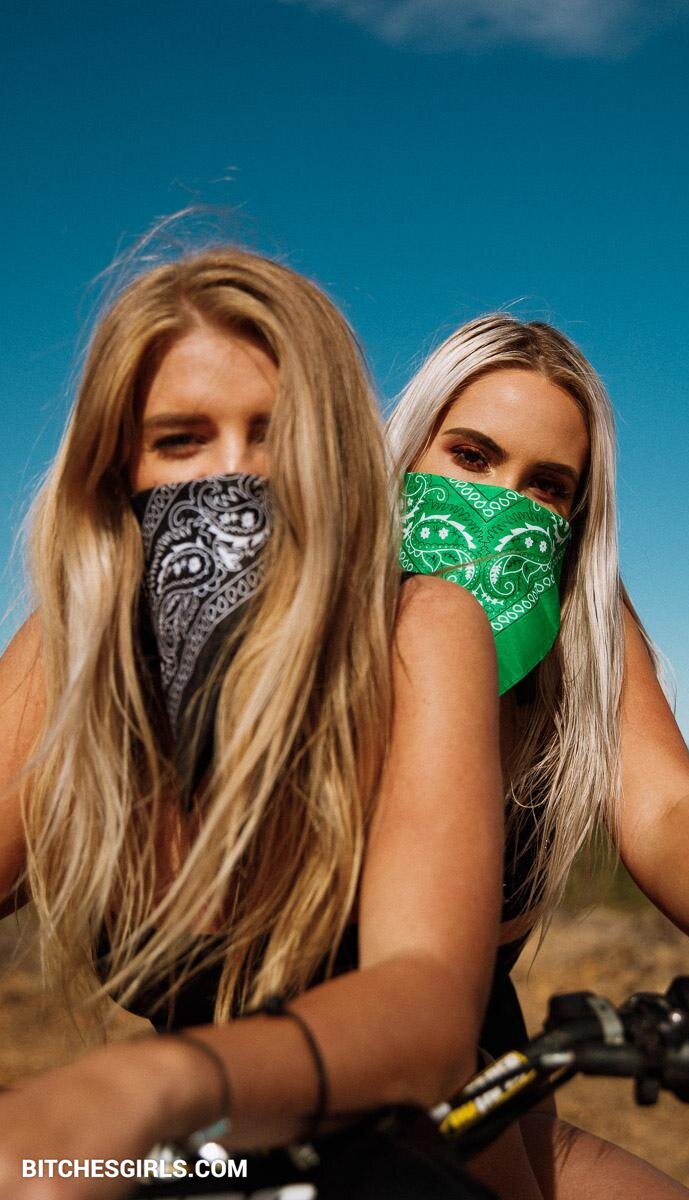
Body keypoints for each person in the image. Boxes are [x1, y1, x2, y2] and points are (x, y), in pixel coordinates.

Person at [0, 249, 507, 1200]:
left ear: (337, 454)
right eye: (181, 441)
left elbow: (429, 1004)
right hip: (192, 1158)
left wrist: (149, 1084)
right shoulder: (74, 642)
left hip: (383, 1148)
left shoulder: (418, 630)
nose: (232, 478)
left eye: (276, 434)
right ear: (117, 467)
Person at [385, 314, 689, 1197]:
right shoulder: (312, 612)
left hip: (487, 1080)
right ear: (410, 446)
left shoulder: (584, 618)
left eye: (547, 485)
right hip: (296, 1089)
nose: (500, 503)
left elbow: (667, 811)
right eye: (471, 456)